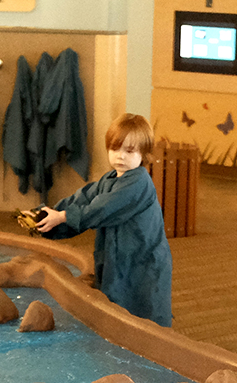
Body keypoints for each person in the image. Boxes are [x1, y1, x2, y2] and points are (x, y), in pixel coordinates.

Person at [31, 113, 174, 325]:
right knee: (118, 301)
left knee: (145, 307)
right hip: (120, 256)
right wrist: (44, 215)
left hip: (143, 259)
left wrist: (62, 217)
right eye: (115, 149)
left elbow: (101, 208)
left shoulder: (139, 183)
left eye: (129, 151)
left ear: (143, 154)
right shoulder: (109, 179)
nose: (120, 156)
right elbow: (83, 199)